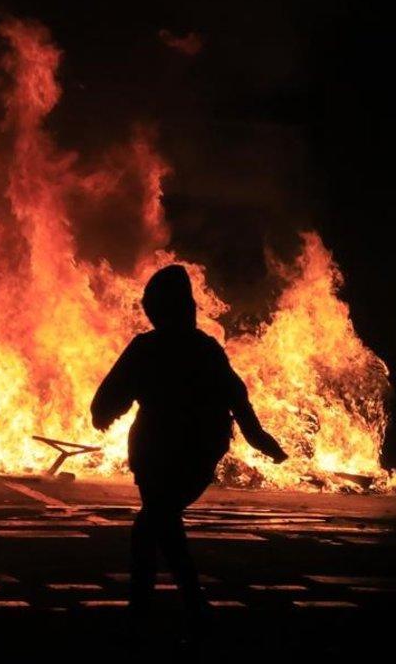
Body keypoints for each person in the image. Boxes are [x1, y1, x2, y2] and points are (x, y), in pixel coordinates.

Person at [90, 264, 287, 641]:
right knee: (159, 522)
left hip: (166, 454)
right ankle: (186, 606)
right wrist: (260, 439)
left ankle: (152, 611)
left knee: (153, 523)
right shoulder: (204, 350)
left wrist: (103, 415)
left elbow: (108, 400)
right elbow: (238, 400)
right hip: (191, 455)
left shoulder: (150, 348)